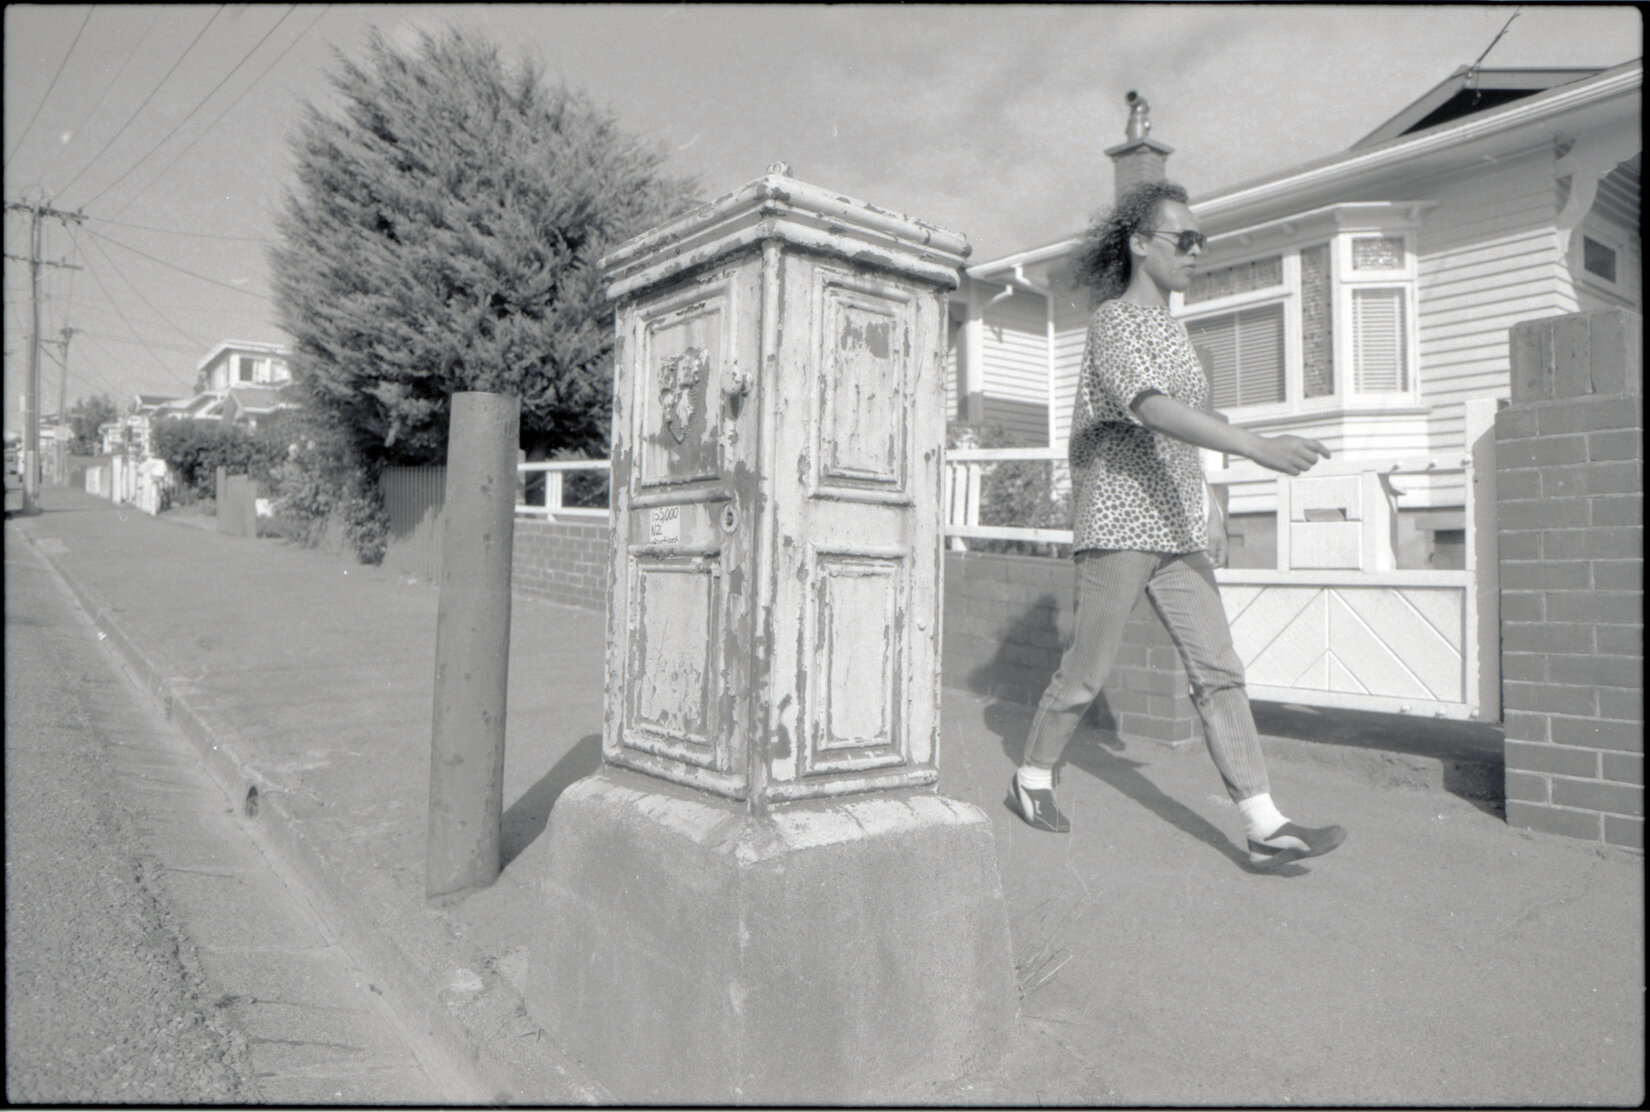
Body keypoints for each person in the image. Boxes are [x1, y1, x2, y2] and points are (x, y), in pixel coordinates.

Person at [1006, 179, 1346, 872]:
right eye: (1182, 239)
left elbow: (1189, 431)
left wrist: (1209, 501)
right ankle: (1032, 778)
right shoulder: (1113, 323)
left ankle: (1262, 821)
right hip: (1120, 520)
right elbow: (1151, 408)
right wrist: (1255, 446)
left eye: (1201, 240)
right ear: (1138, 243)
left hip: (1176, 525)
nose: (1196, 251)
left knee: (1219, 669)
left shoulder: (1176, 330)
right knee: (1085, 676)